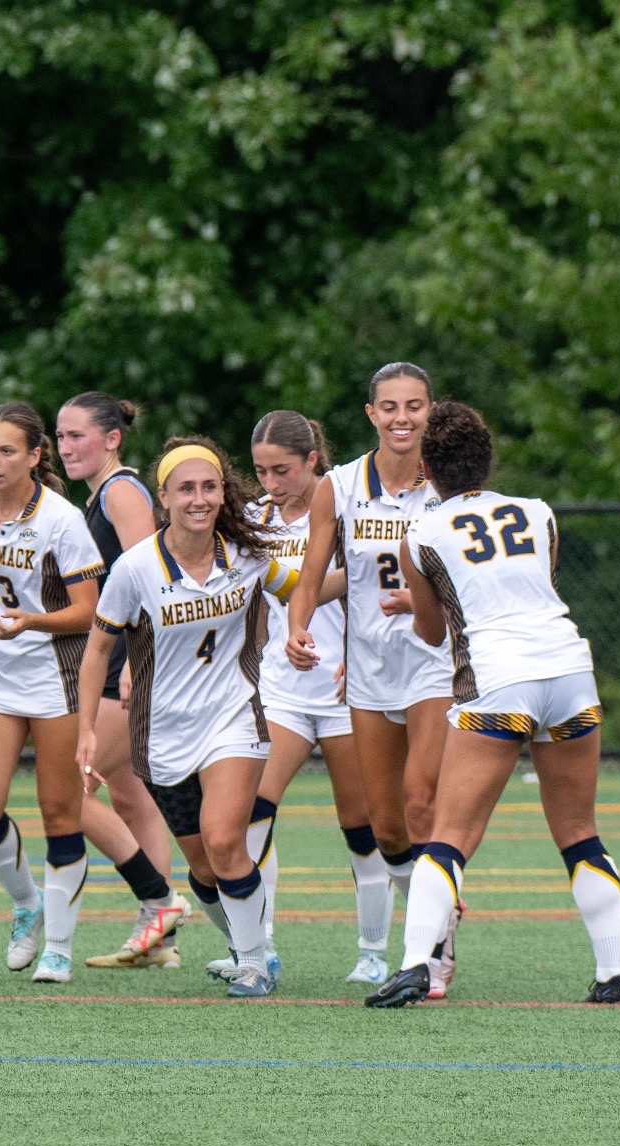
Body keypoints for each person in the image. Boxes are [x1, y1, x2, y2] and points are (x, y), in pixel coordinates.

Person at [368, 402, 620, 1006]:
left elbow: (436, 634)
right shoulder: (538, 514)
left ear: (427, 467)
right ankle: (611, 976)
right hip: (567, 668)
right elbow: (534, 590)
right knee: (581, 833)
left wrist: (415, 604)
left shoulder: (422, 532)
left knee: (450, 836)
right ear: (488, 460)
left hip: (499, 677)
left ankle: (414, 966)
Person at [0, 402, 162, 986]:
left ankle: (57, 947)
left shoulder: (61, 518)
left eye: (7, 450)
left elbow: (88, 612)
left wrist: (31, 621)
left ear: (36, 456)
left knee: (62, 813)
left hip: (54, 682)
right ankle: (28, 903)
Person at [78, 438, 302, 998]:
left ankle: (254, 961)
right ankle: (246, 948)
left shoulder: (248, 556)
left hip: (233, 719)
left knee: (226, 842)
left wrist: (365, 580)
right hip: (162, 734)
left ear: (223, 493)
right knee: (203, 868)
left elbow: (304, 588)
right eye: (186, 489)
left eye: (209, 487)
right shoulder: (135, 569)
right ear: (165, 497)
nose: (198, 499)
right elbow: (98, 652)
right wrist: (84, 732)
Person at [287, 363, 459, 996]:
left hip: (433, 662)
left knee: (421, 798)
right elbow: (312, 573)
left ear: (430, 411)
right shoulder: (339, 486)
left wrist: (424, 607)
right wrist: (297, 627)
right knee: (386, 827)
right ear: (370, 414)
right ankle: (436, 904)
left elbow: (465, 576)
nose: (402, 418)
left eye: (414, 406)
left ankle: (434, 945)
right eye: (389, 407)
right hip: (367, 670)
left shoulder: (448, 485)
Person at [208, 412, 380, 985]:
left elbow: (370, 587)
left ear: (312, 461)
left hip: (346, 690)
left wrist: (356, 651)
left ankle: (373, 952)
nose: (271, 482)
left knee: (362, 822)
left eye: (282, 469)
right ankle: (261, 946)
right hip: (279, 688)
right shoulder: (252, 520)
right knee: (253, 808)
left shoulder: (347, 512)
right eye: (260, 471)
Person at [52, 393, 184, 968]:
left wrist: (136, 659)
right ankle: (162, 940)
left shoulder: (121, 491)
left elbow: (153, 576)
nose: (65, 447)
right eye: (60, 436)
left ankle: (159, 900)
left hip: (125, 671)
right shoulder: (98, 498)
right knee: (132, 798)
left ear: (112, 440)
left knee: (66, 794)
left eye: (77, 435)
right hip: (114, 667)